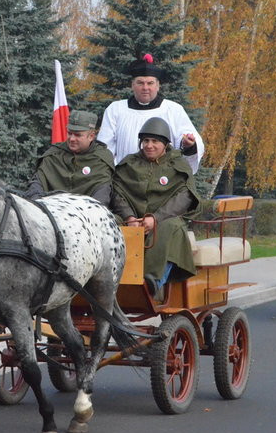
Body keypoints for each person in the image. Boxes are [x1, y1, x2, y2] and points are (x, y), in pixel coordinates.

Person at [110, 117, 201, 296]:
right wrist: (129, 217)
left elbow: (185, 196)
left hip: (165, 220)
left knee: (170, 227)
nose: (149, 145)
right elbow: (117, 192)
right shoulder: (129, 163)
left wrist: (155, 219)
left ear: (165, 144)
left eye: (155, 141)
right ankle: (105, 278)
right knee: (110, 222)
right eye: (145, 141)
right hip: (132, 219)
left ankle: (152, 282)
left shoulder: (177, 164)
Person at [97, 53, 204, 173]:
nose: (145, 87)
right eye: (140, 83)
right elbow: (105, 148)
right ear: (132, 85)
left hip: (164, 179)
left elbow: (191, 141)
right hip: (125, 179)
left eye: (150, 83)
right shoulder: (115, 109)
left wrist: (189, 145)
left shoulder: (173, 110)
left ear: (158, 86)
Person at [25, 110, 114, 207]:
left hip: (86, 216)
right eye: (69, 133)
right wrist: (37, 203)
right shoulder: (53, 155)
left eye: (78, 135)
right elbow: (37, 184)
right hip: (50, 212)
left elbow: (102, 193)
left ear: (91, 136)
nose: (72, 139)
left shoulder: (101, 158)